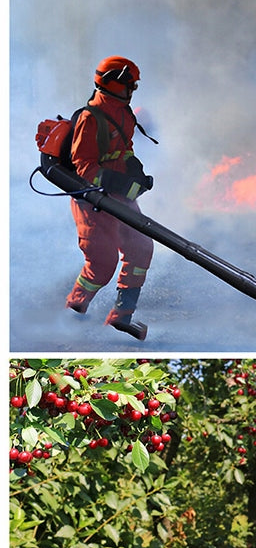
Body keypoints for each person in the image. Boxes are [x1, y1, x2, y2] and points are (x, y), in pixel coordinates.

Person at [64, 56, 155, 339]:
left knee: (141, 247)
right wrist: (119, 182)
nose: (134, 90)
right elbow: (84, 166)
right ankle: (73, 310)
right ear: (115, 82)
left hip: (119, 197)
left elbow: (123, 148)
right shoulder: (90, 119)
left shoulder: (125, 113)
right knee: (102, 263)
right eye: (131, 84)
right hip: (92, 202)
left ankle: (122, 316)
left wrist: (134, 168)